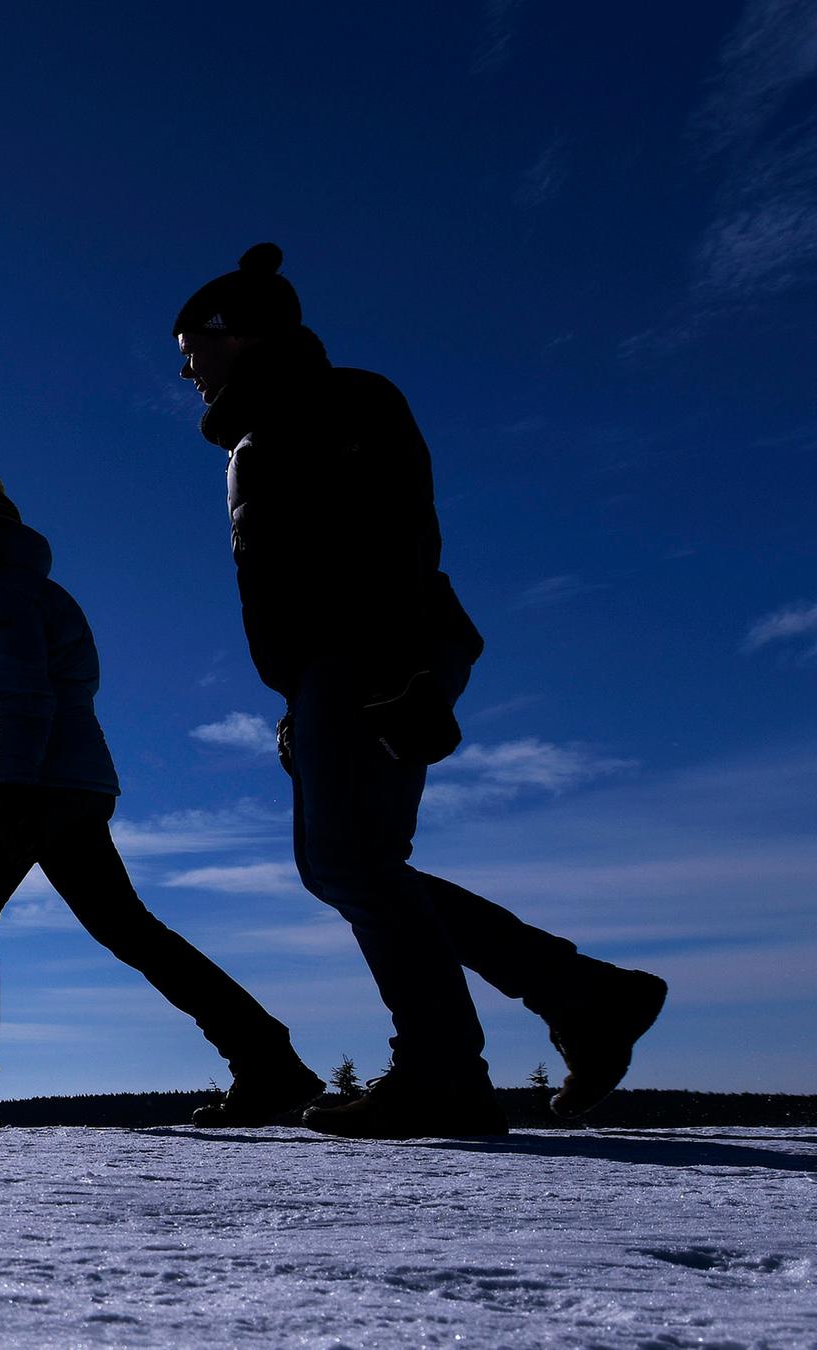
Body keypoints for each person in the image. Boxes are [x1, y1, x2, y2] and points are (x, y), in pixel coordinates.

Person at [172, 244, 667, 1139]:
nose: (186, 370)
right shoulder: (256, 435)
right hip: (336, 663)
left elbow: (393, 535)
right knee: (352, 863)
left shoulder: (341, 401)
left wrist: (400, 671)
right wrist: (300, 695)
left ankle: (447, 1070)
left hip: (376, 650)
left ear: (236, 334)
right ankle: (584, 996)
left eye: (192, 350)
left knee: (350, 864)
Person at [0, 474, 324, 1132]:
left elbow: (22, 691)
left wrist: (11, 783)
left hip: (37, 782)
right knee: (128, 929)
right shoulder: (31, 590)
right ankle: (266, 1059)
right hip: (70, 783)